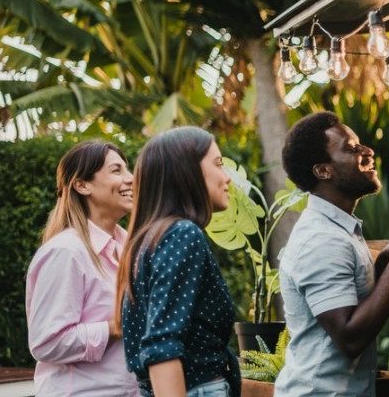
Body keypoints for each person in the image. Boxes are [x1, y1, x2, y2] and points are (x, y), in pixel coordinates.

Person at [274, 112, 389, 397]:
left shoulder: (338, 229)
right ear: (323, 171)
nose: (368, 151)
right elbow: (350, 337)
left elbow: (352, 306)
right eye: (351, 149)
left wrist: (383, 263)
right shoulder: (322, 240)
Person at [115, 127, 240, 397]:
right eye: (218, 164)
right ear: (187, 173)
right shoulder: (182, 234)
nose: (227, 178)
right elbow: (161, 346)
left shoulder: (147, 240)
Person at [25, 140, 140, 396]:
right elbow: (46, 342)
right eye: (116, 170)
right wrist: (114, 327)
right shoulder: (66, 253)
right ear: (82, 184)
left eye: (127, 169)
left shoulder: (129, 248)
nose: (130, 178)